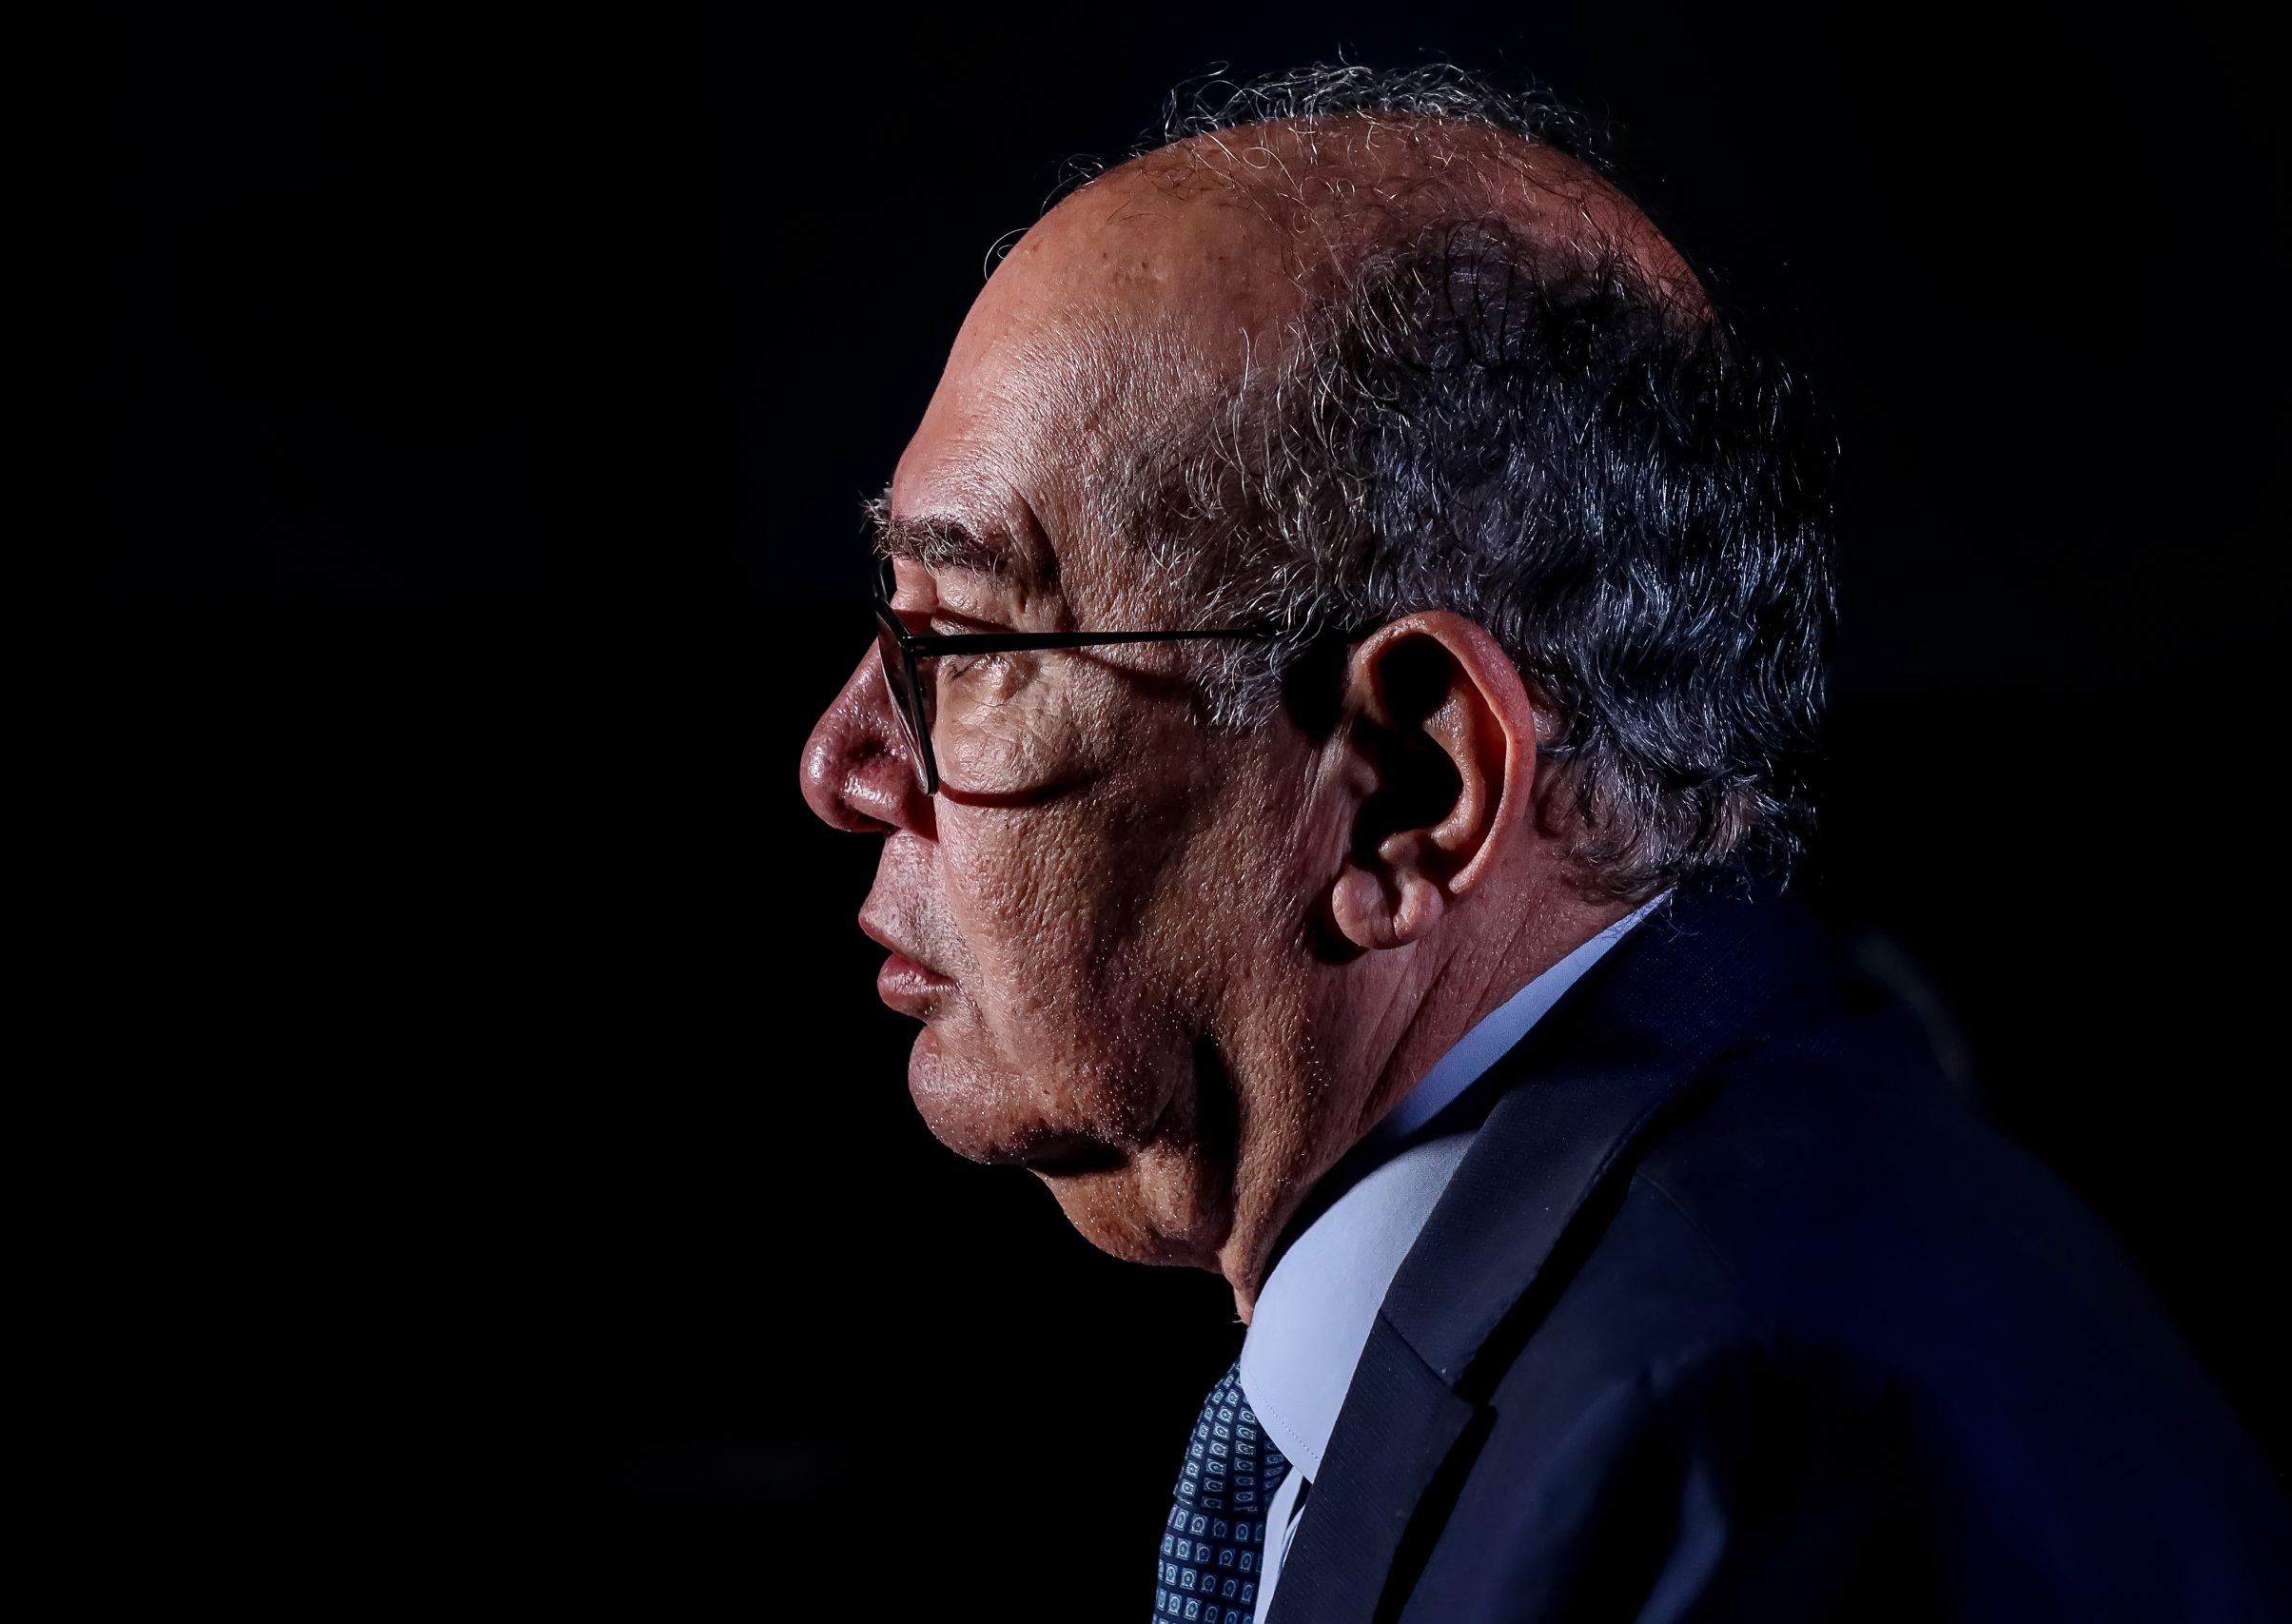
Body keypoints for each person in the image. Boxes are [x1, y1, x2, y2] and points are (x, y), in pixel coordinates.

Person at [798, 64, 2290, 1622]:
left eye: (960, 643)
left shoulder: (1742, 1462)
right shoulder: (1677, 1315)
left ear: (1411, 789)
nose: (839, 763)